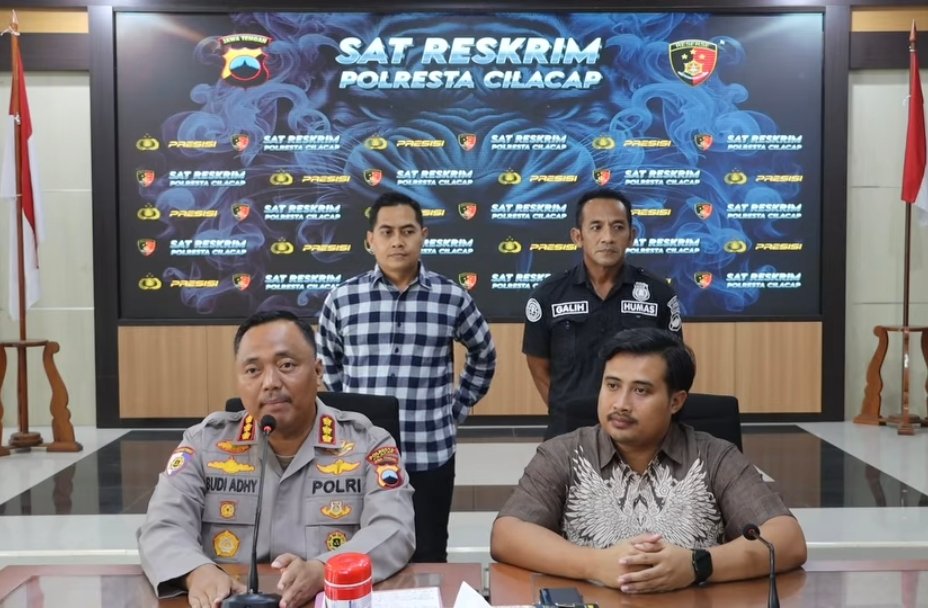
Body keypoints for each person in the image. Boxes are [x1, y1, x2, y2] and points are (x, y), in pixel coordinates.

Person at [491, 328, 807, 594]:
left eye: (641, 390)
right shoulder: (563, 454)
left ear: (675, 401)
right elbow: (508, 534)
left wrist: (697, 565)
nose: (621, 404)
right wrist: (595, 565)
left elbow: (788, 540)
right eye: (612, 385)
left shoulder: (714, 457)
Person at [138, 310, 415, 607]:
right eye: (253, 370)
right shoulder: (204, 443)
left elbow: (393, 528)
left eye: (286, 365)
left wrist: (324, 570)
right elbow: (163, 525)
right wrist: (196, 572)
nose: (270, 382)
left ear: (318, 372)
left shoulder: (369, 443)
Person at [317, 191, 496, 563]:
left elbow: (484, 353)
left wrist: (457, 408)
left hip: (429, 452)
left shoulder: (451, 297)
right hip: (359, 457)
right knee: (360, 553)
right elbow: (328, 361)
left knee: (429, 553)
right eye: (387, 232)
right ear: (370, 239)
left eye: (407, 231)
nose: (397, 241)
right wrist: (348, 410)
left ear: (423, 236)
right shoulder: (343, 299)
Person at [523, 188, 683, 439]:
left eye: (618, 227)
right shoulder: (548, 295)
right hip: (569, 431)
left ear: (632, 236)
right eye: (596, 227)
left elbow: (674, 365)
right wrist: (565, 411)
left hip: (637, 431)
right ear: (578, 236)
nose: (607, 237)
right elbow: (538, 364)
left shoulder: (659, 294)